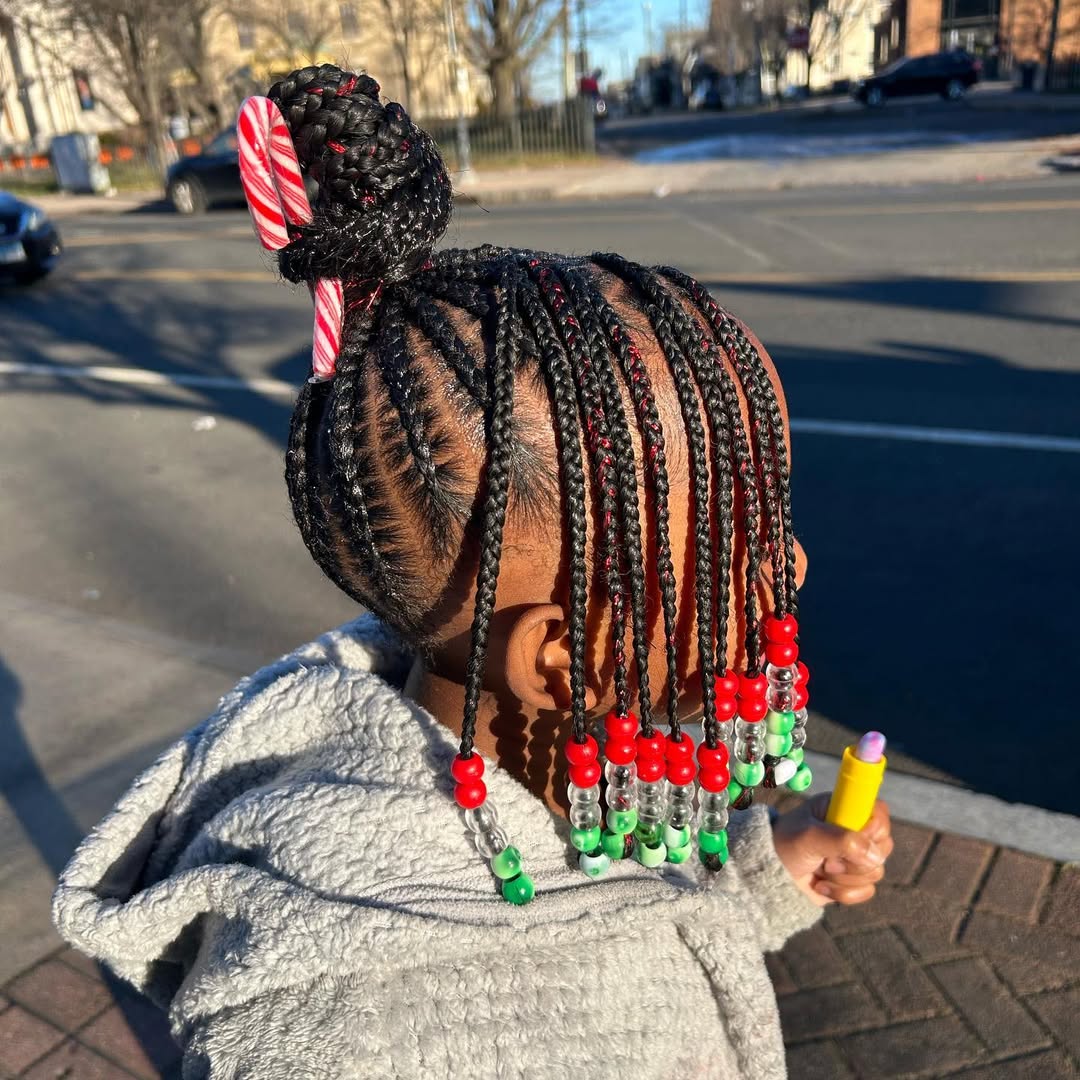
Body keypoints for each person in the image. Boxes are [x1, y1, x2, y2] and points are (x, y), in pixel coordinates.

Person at [53, 64, 893, 1079]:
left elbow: (645, 912)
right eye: (738, 551)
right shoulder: (341, 1045)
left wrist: (772, 871)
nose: (790, 562)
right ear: (559, 658)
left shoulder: (572, 745)